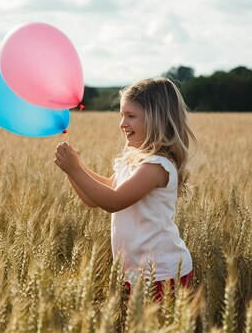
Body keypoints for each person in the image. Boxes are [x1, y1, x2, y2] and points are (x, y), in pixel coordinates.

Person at [53, 77, 196, 301]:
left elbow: (113, 201)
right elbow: (98, 195)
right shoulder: (134, 161)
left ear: (156, 119)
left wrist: (75, 169)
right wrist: (74, 169)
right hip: (137, 272)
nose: (122, 123)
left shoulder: (156, 167)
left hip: (163, 274)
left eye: (131, 116)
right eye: (121, 115)